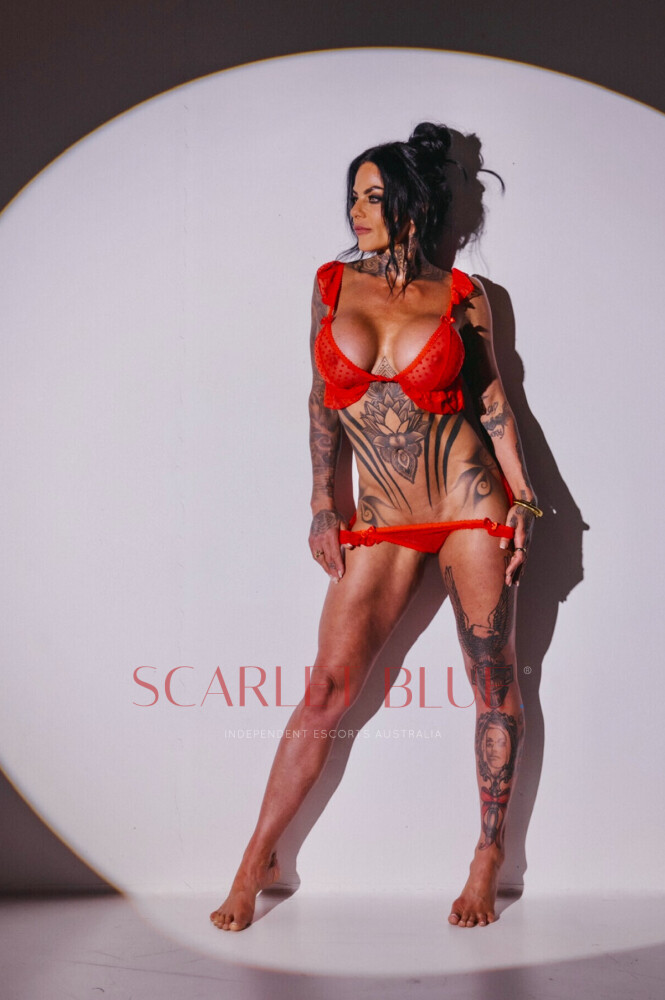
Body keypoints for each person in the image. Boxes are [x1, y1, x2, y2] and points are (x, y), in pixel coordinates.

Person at [210, 122, 540, 931]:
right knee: (327, 687)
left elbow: (493, 401)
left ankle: (487, 854)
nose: (355, 210)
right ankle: (256, 859)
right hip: (383, 516)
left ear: (410, 206)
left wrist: (525, 500)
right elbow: (320, 400)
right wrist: (322, 503)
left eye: (371, 196)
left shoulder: (462, 293)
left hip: (469, 505)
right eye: (351, 197)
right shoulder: (331, 285)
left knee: (493, 680)